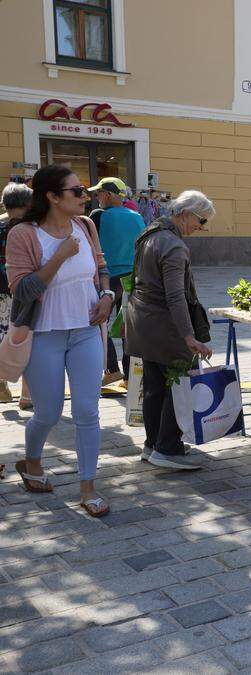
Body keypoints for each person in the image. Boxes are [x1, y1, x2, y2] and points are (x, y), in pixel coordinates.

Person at [4, 165, 114, 516]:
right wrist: (59, 257)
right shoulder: (22, 234)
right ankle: (32, 463)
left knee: (87, 411)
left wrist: (108, 295)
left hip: (85, 332)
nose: (85, 196)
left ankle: (88, 488)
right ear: (51, 196)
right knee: (48, 412)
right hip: (45, 335)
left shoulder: (86, 225)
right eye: (77, 191)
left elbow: (101, 267)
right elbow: (22, 289)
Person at [124, 190, 215, 471]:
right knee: (177, 384)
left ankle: (153, 445)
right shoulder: (173, 245)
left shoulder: (151, 233)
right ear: (185, 212)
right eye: (200, 221)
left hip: (141, 320)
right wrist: (189, 337)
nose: (200, 228)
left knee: (153, 385)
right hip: (164, 324)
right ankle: (167, 447)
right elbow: (175, 296)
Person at [87, 177, 146, 383]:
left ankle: (111, 369)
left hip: (108, 277)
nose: (96, 197)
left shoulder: (98, 215)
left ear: (109, 195)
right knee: (128, 326)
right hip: (133, 277)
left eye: (99, 193)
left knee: (99, 321)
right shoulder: (137, 216)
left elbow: (88, 245)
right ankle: (130, 376)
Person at [1, 183, 33, 404]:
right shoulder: (31, 227)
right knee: (27, 340)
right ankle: (27, 395)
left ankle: (1, 387)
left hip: (0, 290)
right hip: (23, 290)